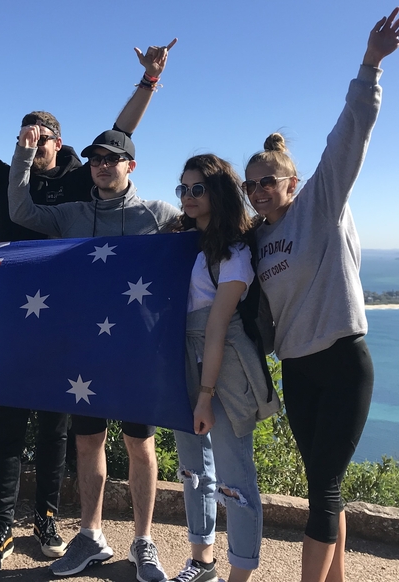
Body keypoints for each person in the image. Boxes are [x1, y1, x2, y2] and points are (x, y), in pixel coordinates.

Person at [0, 40, 176, 575]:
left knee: (59, 427)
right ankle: (2, 525)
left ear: (61, 143)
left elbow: (119, 136)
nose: (33, 143)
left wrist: (147, 81)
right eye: (26, 137)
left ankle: (48, 519)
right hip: (15, 318)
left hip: (75, 327)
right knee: (8, 423)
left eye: (42, 137)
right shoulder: (12, 179)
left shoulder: (82, 181)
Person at [243, 8, 399, 582]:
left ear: (292, 183)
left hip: (342, 361)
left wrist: (370, 66)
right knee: (322, 483)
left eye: (270, 181)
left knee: (324, 489)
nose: (261, 191)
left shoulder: (321, 205)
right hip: (297, 370)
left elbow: (351, 131)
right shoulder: (258, 240)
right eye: (252, 184)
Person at [8, 128, 180, 582]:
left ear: (130, 165)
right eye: (96, 159)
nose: (103, 165)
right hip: (84, 350)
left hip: (138, 352)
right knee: (88, 443)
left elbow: (209, 233)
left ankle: (143, 541)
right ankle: (90, 535)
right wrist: (25, 154)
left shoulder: (158, 214)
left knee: (140, 446)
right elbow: (20, 210)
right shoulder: (73, 214)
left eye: (112, 158)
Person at [167, 155, 280, 582]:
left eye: (199, 189)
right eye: (184, 189)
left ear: (218, 192)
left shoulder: (234, 253)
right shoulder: (182, 243)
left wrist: (205, 395)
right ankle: (201, 560)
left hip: (226, 364)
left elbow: (217, 330)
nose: (190, 197)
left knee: (235, 475)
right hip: (185, 357)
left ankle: (241, 573)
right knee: (192, 466)